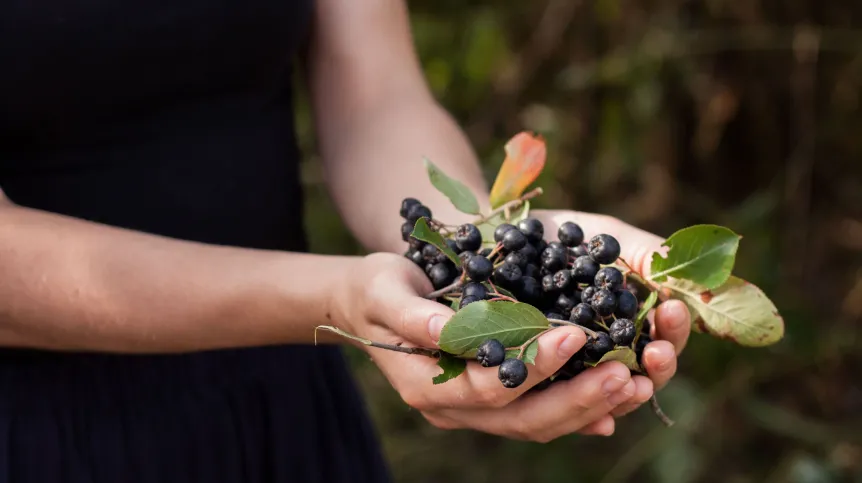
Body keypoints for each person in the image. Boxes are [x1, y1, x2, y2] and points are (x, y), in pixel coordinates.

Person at [0, 0, 691, 481]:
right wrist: (332, 298)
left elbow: (377, 96)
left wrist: (481, 248)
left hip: (278, 400)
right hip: (36, 429)